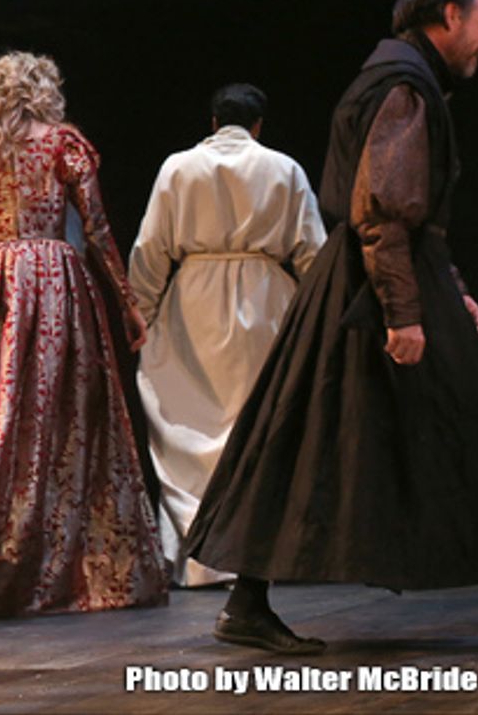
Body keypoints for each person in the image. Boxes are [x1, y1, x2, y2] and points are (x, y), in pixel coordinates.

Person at [185, 0, 478, 653]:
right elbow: (384, 207)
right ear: (449, 16)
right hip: (374, 281)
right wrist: (405, 312)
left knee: (325, 432)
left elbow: (409, 215)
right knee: (437, 423)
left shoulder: (395, 79)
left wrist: (450, 287)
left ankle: (250, 599)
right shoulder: (405, 89)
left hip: (372, 276)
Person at [0, 51, 169, 628]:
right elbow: (96, 229)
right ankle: (51, 562)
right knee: (58, 423)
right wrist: (127, 301)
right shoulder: (64, 144)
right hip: (53, 282)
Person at [128, 84, 325, 588]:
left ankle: (200, 556)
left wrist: (141, 313)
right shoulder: (284, 169)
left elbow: (151, 248)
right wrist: (320, 320)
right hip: (266, 303)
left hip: (193, 304)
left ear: (214, 122)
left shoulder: (178, 167)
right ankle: (256, 555)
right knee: (254, 427)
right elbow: (312, 252)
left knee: (191, 429)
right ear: (258, 126)